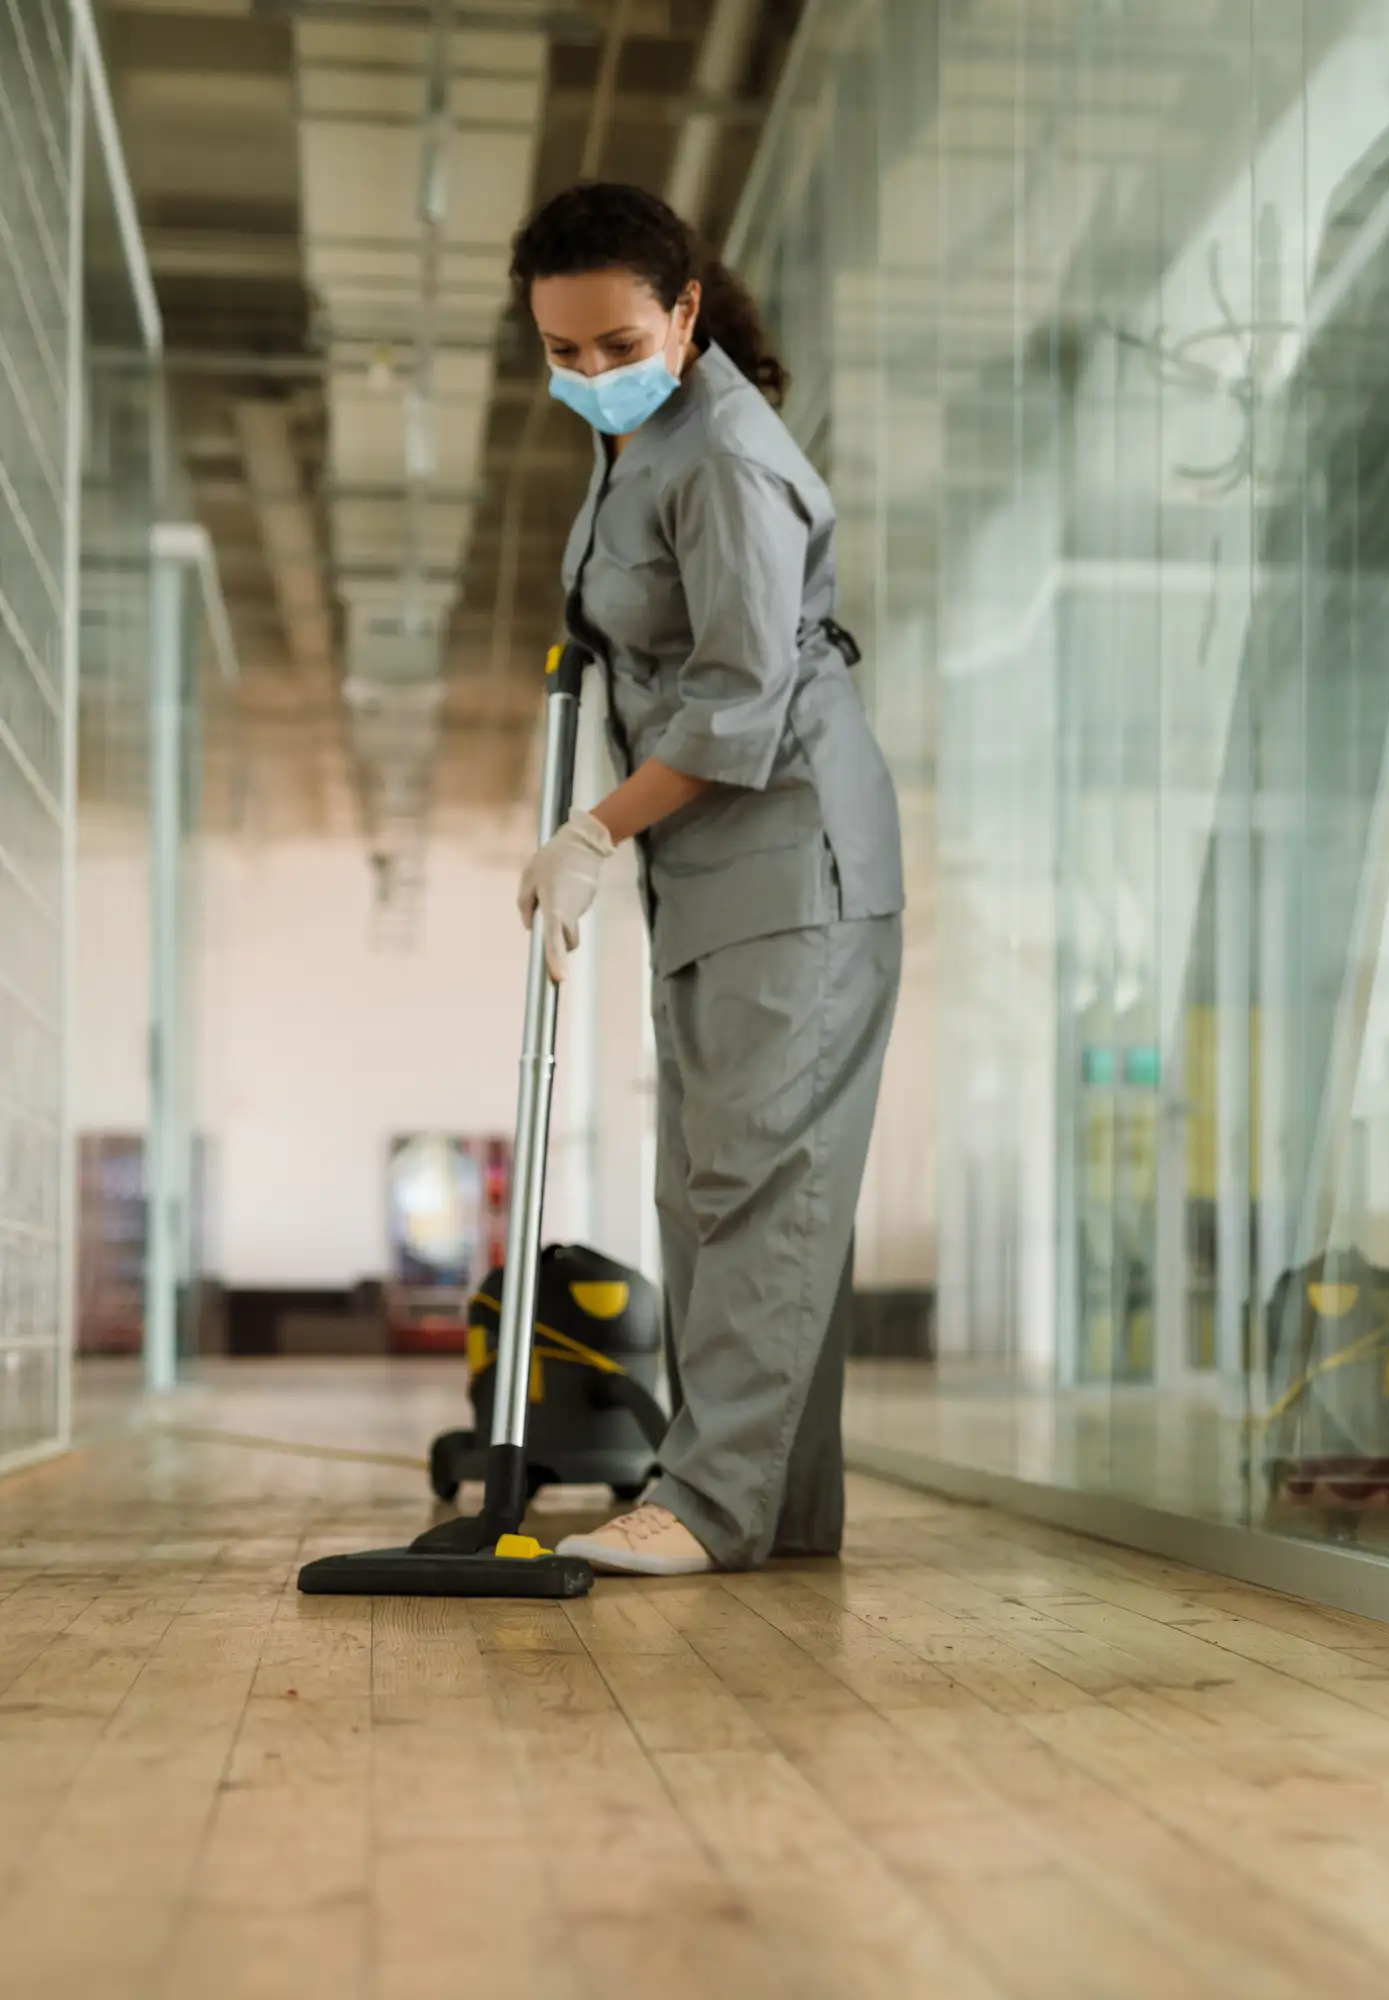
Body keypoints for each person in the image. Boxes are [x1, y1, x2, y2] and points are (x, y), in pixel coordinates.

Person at [506, 182, 905, 1577]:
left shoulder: (726, 455)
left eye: (617, 345)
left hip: (794, 851)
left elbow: (734, 706)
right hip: (713, 869)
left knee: (757, 1185)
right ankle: (771, 1518)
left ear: (681, 315)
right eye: (563, 353)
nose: (591, 376)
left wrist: (594, 833)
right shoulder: (646, 443)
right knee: (711, 1194)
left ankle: (710, 1508)